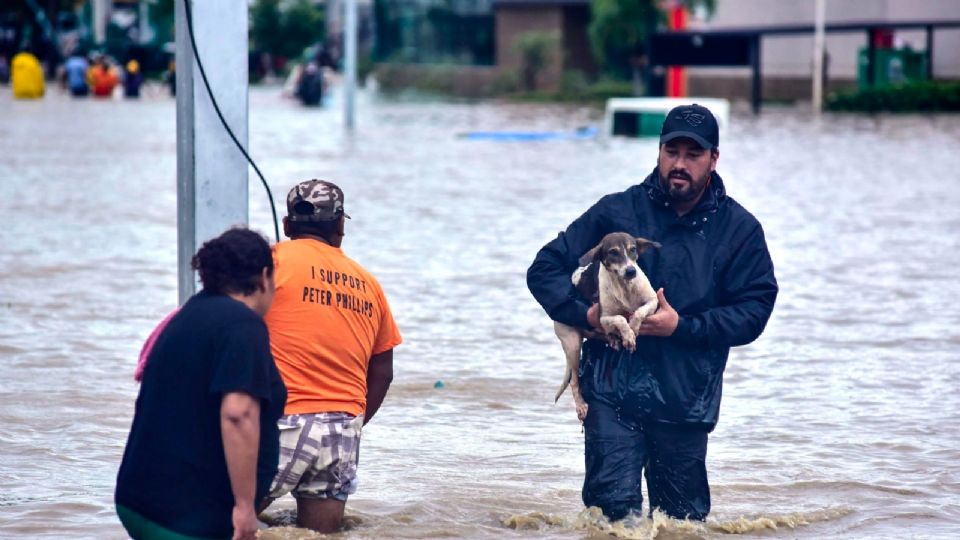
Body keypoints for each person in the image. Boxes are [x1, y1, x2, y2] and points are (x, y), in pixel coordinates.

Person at [527, 104, 778, 522]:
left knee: (682, 526)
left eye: (693, 154)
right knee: (612, 524)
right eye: (671, 151)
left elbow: (754, 311)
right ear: (659, 151)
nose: (679, 164)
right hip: (611, 395)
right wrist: (586, 317)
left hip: (686, 401)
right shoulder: (616, 212)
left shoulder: (739, 230)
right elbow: (544, 269)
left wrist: (682, 326)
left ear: (714, 159)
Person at [116, 228, 287, 540]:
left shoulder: (188, 314)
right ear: (264, 277)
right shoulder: (243, 325)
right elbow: (238, 414)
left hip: (139, 500)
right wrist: (245, 507)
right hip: (186, 516)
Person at [260, 179, 402, 533]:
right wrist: (349, 422)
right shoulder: (368, 283)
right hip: (341, 431)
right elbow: (382, 371)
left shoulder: (269, 262)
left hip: (281, 422)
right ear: (340, 225)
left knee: (212, 521)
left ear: (287, 225)